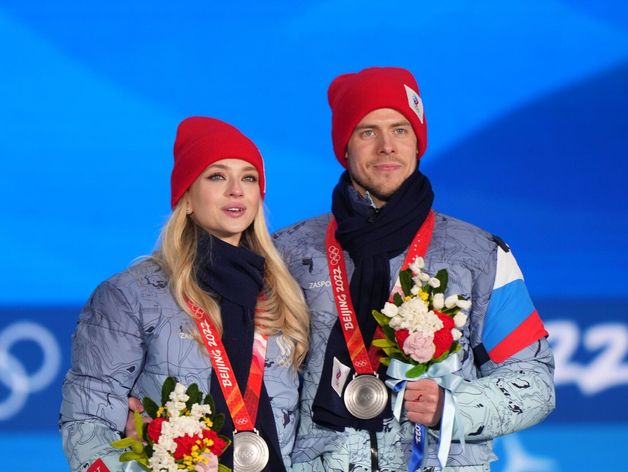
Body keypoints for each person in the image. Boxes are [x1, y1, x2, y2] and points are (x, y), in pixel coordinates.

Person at [271, 67, 556, 471]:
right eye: (367, 132)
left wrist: (455, 407)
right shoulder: (283, 252)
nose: (386, 146)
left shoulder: (479, 253)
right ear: (345, 148)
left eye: (400, 130)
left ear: (417, 144)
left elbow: (535, 380)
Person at [60, 117, 310, 472]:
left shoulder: (284, 293)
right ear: (187, 199)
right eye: (217, 176)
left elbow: (307, 430)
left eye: (249, 178)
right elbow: (87, 423)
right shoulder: (129, 296)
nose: (236, 190)